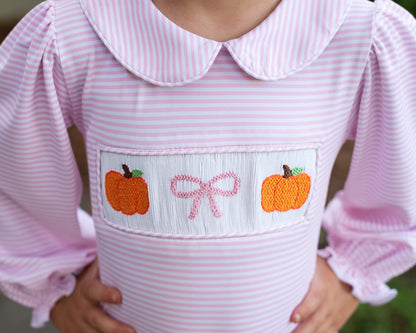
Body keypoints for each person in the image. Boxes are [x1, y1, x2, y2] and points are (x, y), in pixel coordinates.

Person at [0, 0, 415, 332]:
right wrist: (53, 288)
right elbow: (16, 182)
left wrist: (351, 272)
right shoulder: (69, 33)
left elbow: (401, 175)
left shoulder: (360, 33)